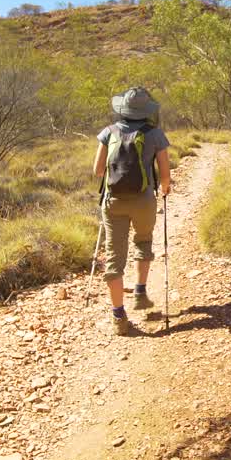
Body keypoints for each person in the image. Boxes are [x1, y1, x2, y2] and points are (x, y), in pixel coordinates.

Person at [92, 87, 171, 336]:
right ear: (146, 111)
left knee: (114, 257)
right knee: (143, 241)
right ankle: (140, 291)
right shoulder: (155, 134)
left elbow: (97, 171)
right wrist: (165, 188)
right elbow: (165, 176)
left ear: (123, 109)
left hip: (113, 201)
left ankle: (118, 316)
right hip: (144, 200)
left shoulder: (109, 132)